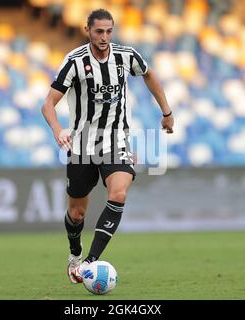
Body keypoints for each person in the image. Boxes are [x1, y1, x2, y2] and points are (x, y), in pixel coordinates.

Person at [42, 8, 174, 284]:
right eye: (99, 31)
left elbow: (149, 75)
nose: (104, 37)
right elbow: (48, 104)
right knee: (77, 212)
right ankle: (75, 252)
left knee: (119, 194)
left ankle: (90, 262)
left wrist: (166, 111)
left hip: (116, 140)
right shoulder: (75, 62)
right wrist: (57, 130)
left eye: (108, 31)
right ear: (87, 30)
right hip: (81, 144)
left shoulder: (126, 56)